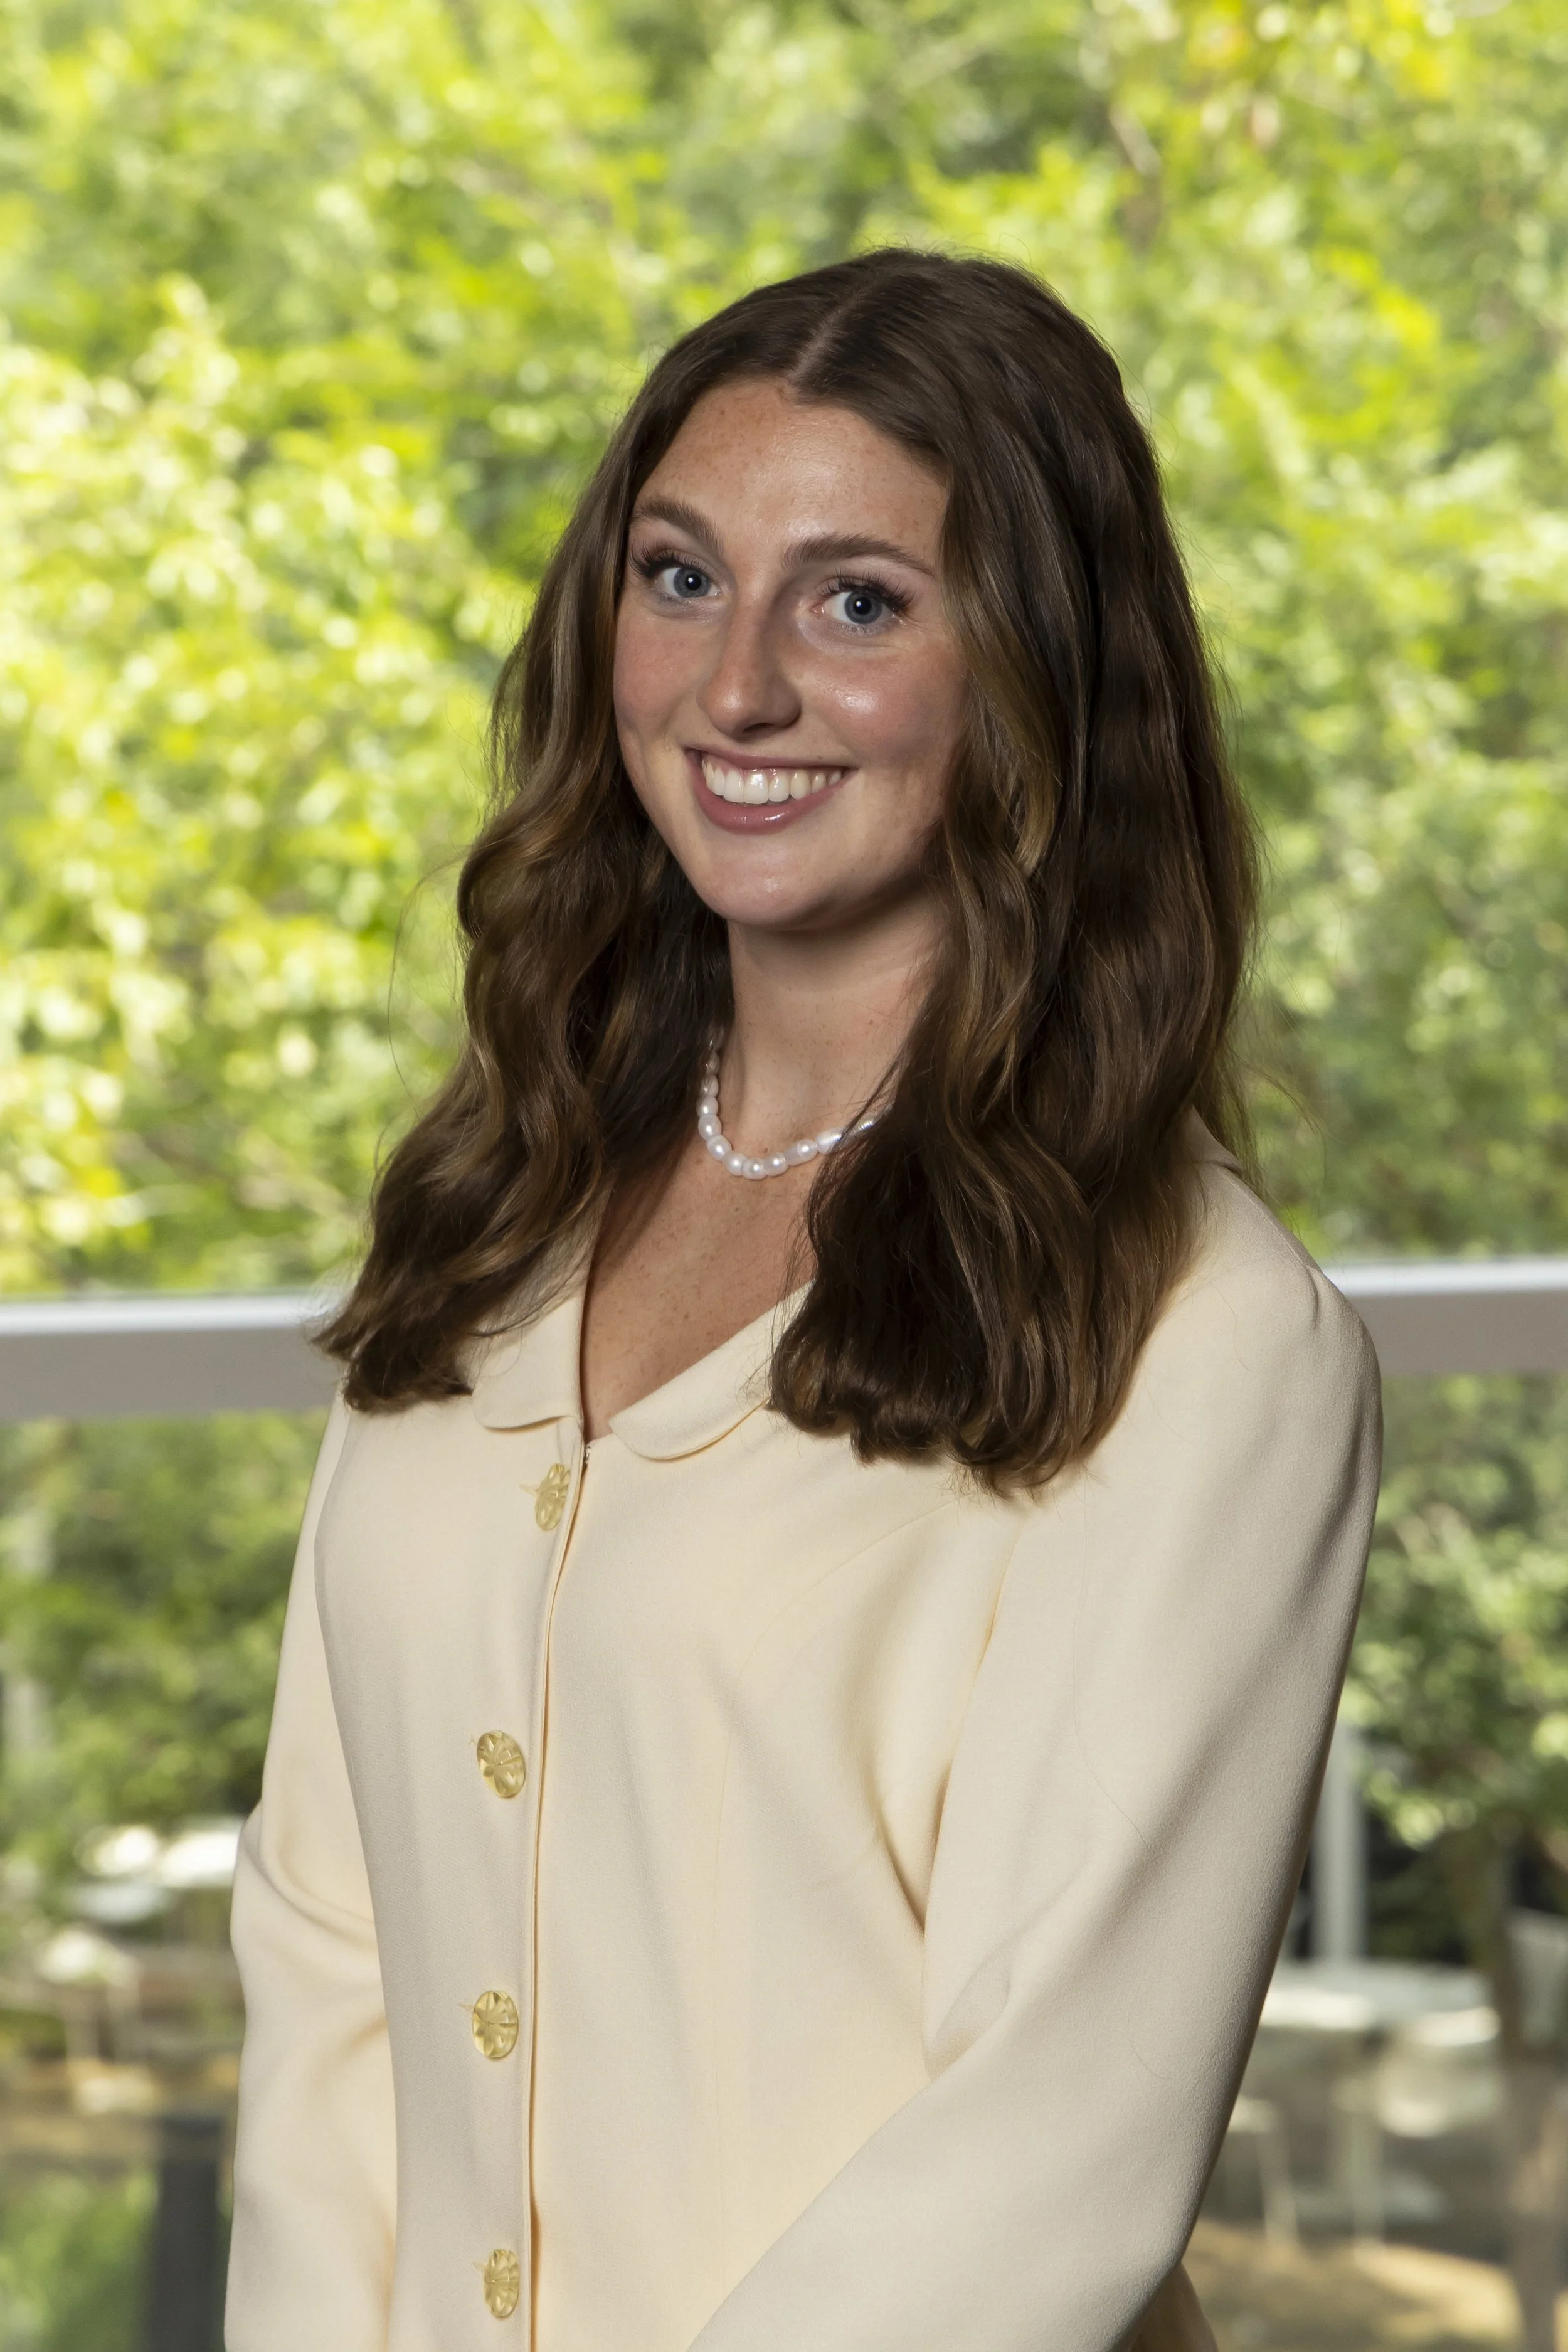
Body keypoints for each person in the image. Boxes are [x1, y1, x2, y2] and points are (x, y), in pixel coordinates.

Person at [225, 248, 1381, 2352]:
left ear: (1034, 666)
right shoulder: (496, 1214)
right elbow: (327, 1948)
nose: (734, 686)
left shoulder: (1208, 1341)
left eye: (856, 601)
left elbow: (1051, 2155)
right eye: (678, 578)